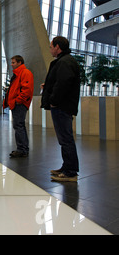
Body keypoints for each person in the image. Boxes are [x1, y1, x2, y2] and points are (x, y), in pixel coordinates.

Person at [41, 36, 81, 182]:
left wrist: (53, 101)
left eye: (51, 46)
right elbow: (59, 81)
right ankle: (67, 167)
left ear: (58, 47)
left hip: (62, 106)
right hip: (62, 105)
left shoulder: (65, 62)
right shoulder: (64, 61)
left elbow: (64, 83)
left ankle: (70, 172)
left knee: (66, 139)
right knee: (64, 139)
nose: (50, 49)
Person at [3, 55, 34, 158]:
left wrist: (18, 101)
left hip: (19, 104)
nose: (11, 65)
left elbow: (26, 90)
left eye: (13, 62)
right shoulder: (18, 74)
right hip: (17, 104)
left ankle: (22, 149)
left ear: (20, 62)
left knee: (19, 126)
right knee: (19, 126)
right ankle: (22, 149)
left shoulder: (25, 73)